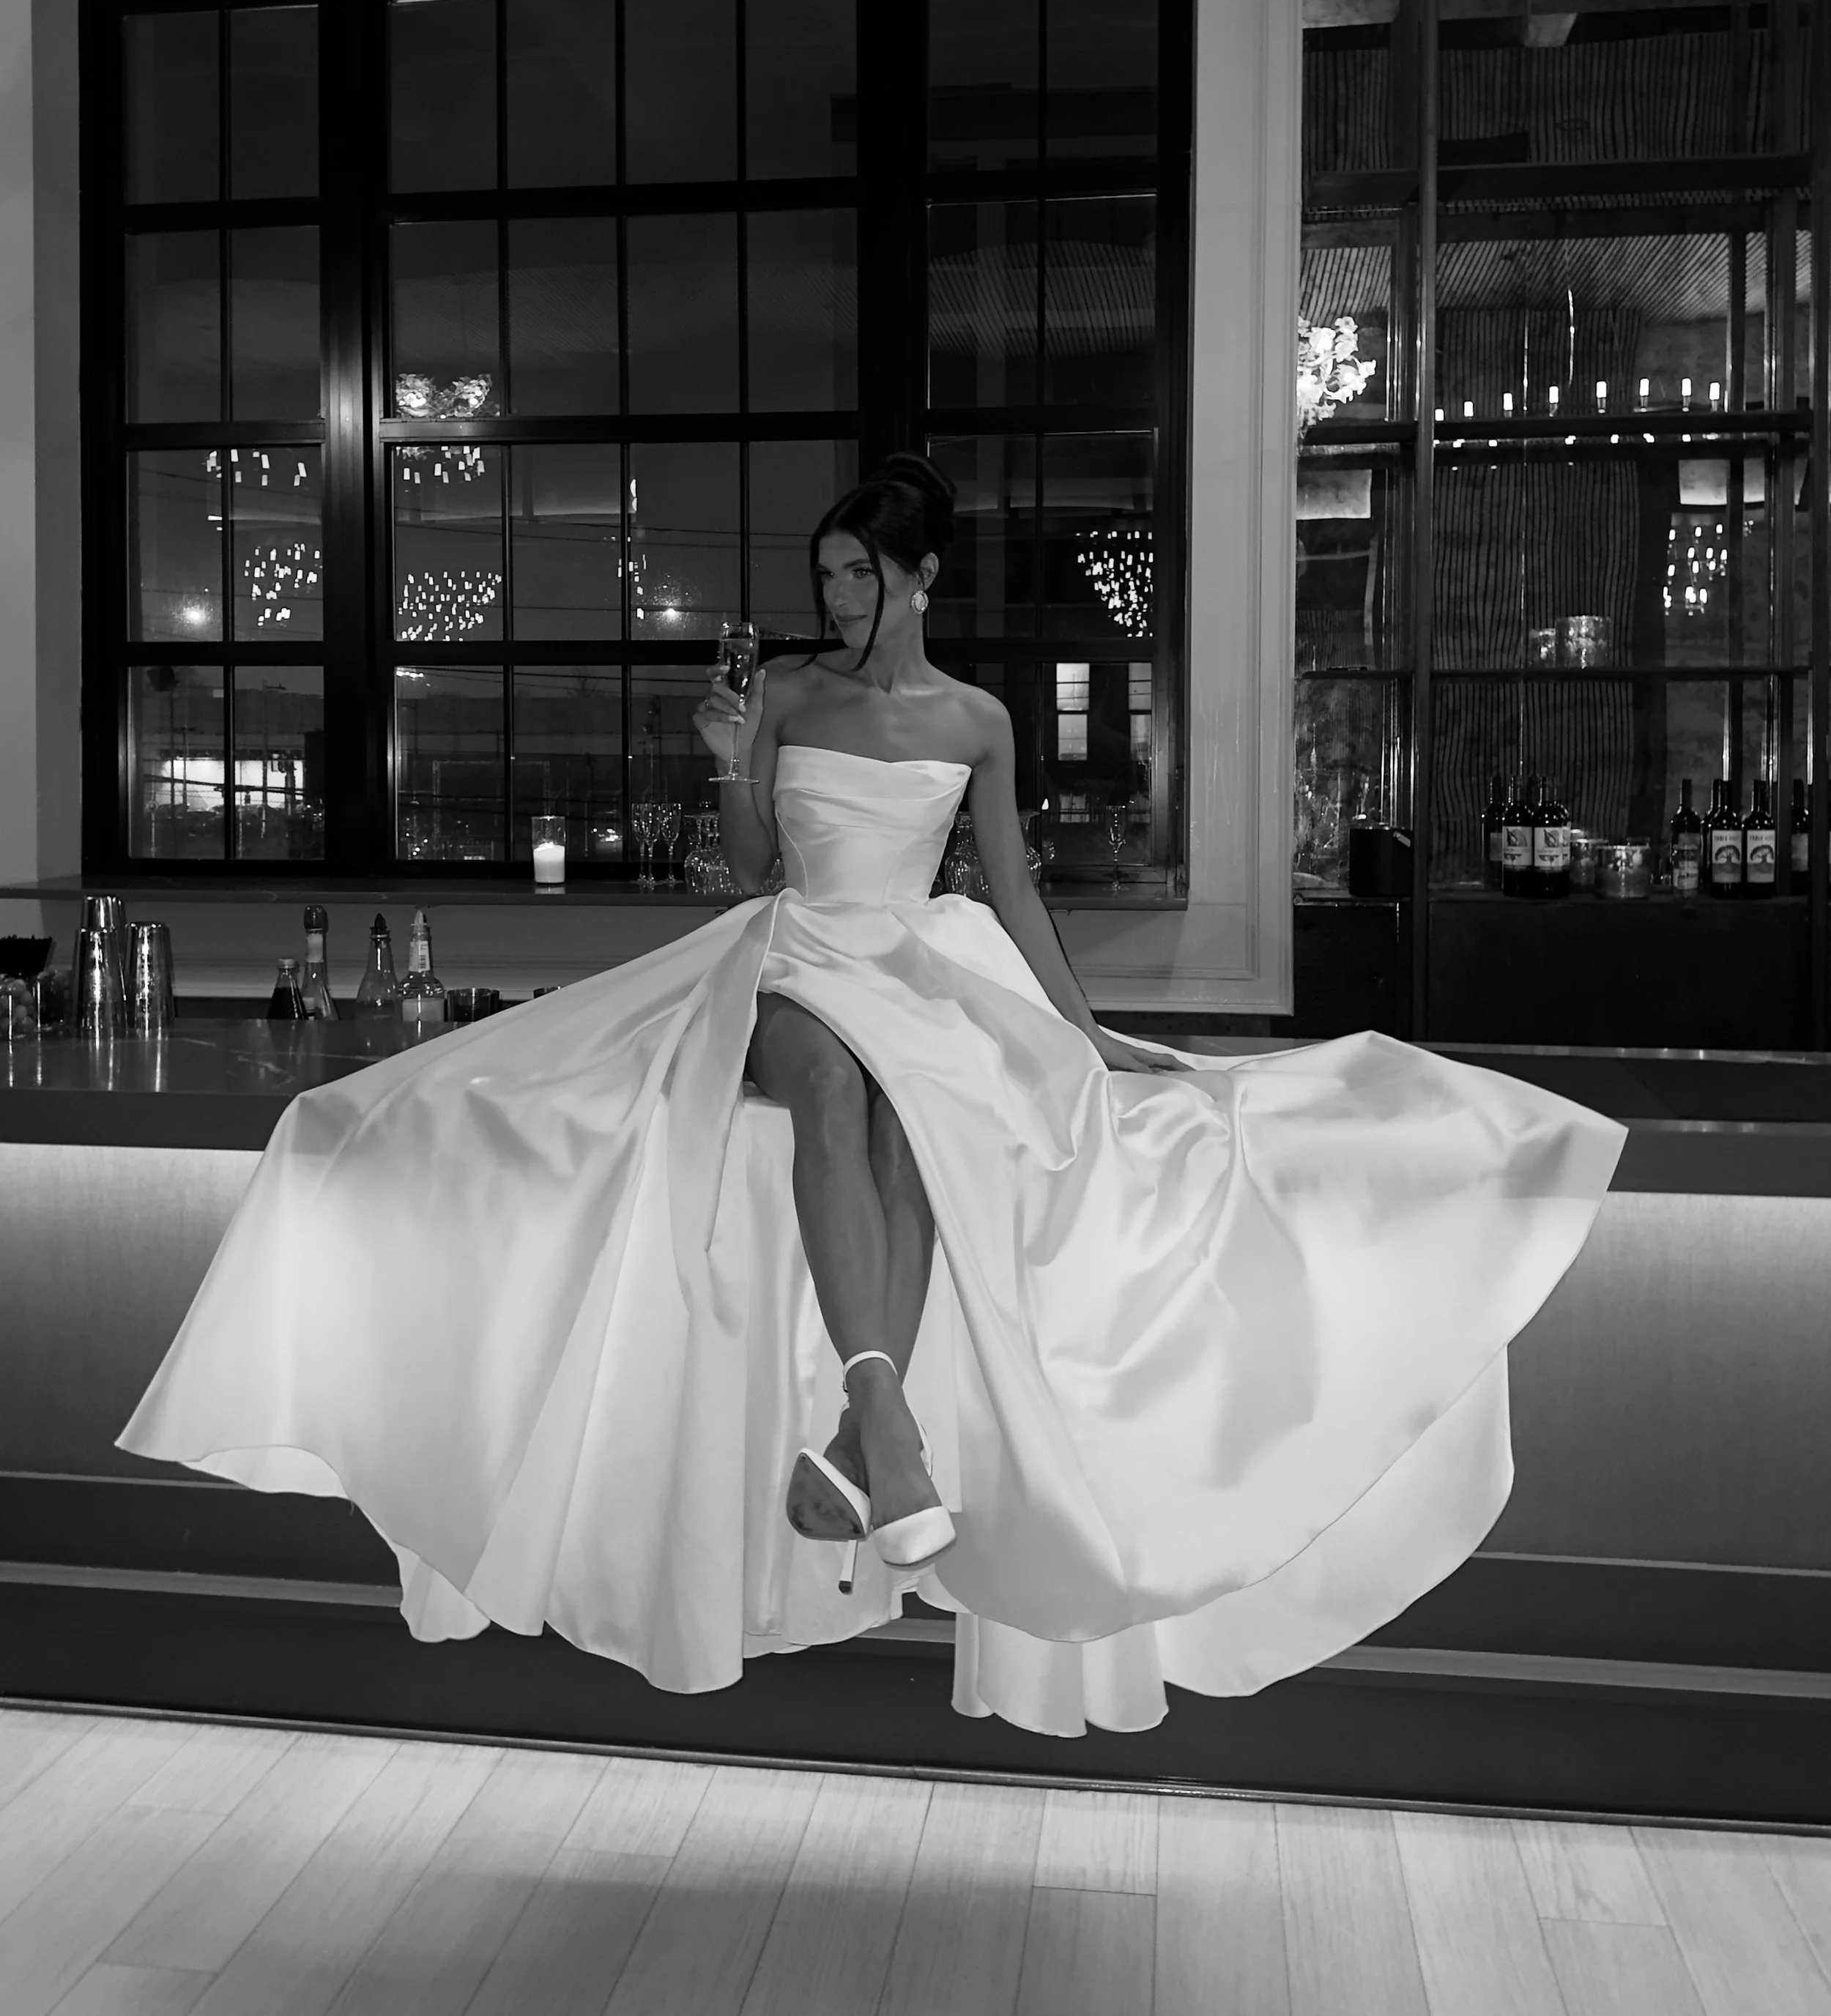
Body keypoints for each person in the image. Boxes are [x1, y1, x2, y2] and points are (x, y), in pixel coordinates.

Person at [120, 454, 1624, 1737]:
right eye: (824, 574)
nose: (833, 597)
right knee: (830, 1076)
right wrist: (725, 763)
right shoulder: (778, 690)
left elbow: (1015, 889)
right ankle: (883, 1428)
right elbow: (744, 870)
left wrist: (1083, 1031)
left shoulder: (975, 719)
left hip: (922, 955)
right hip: (786, 955)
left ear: (915, 575)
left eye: (854, 575)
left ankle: (864, 1443)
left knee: (924, 1110)